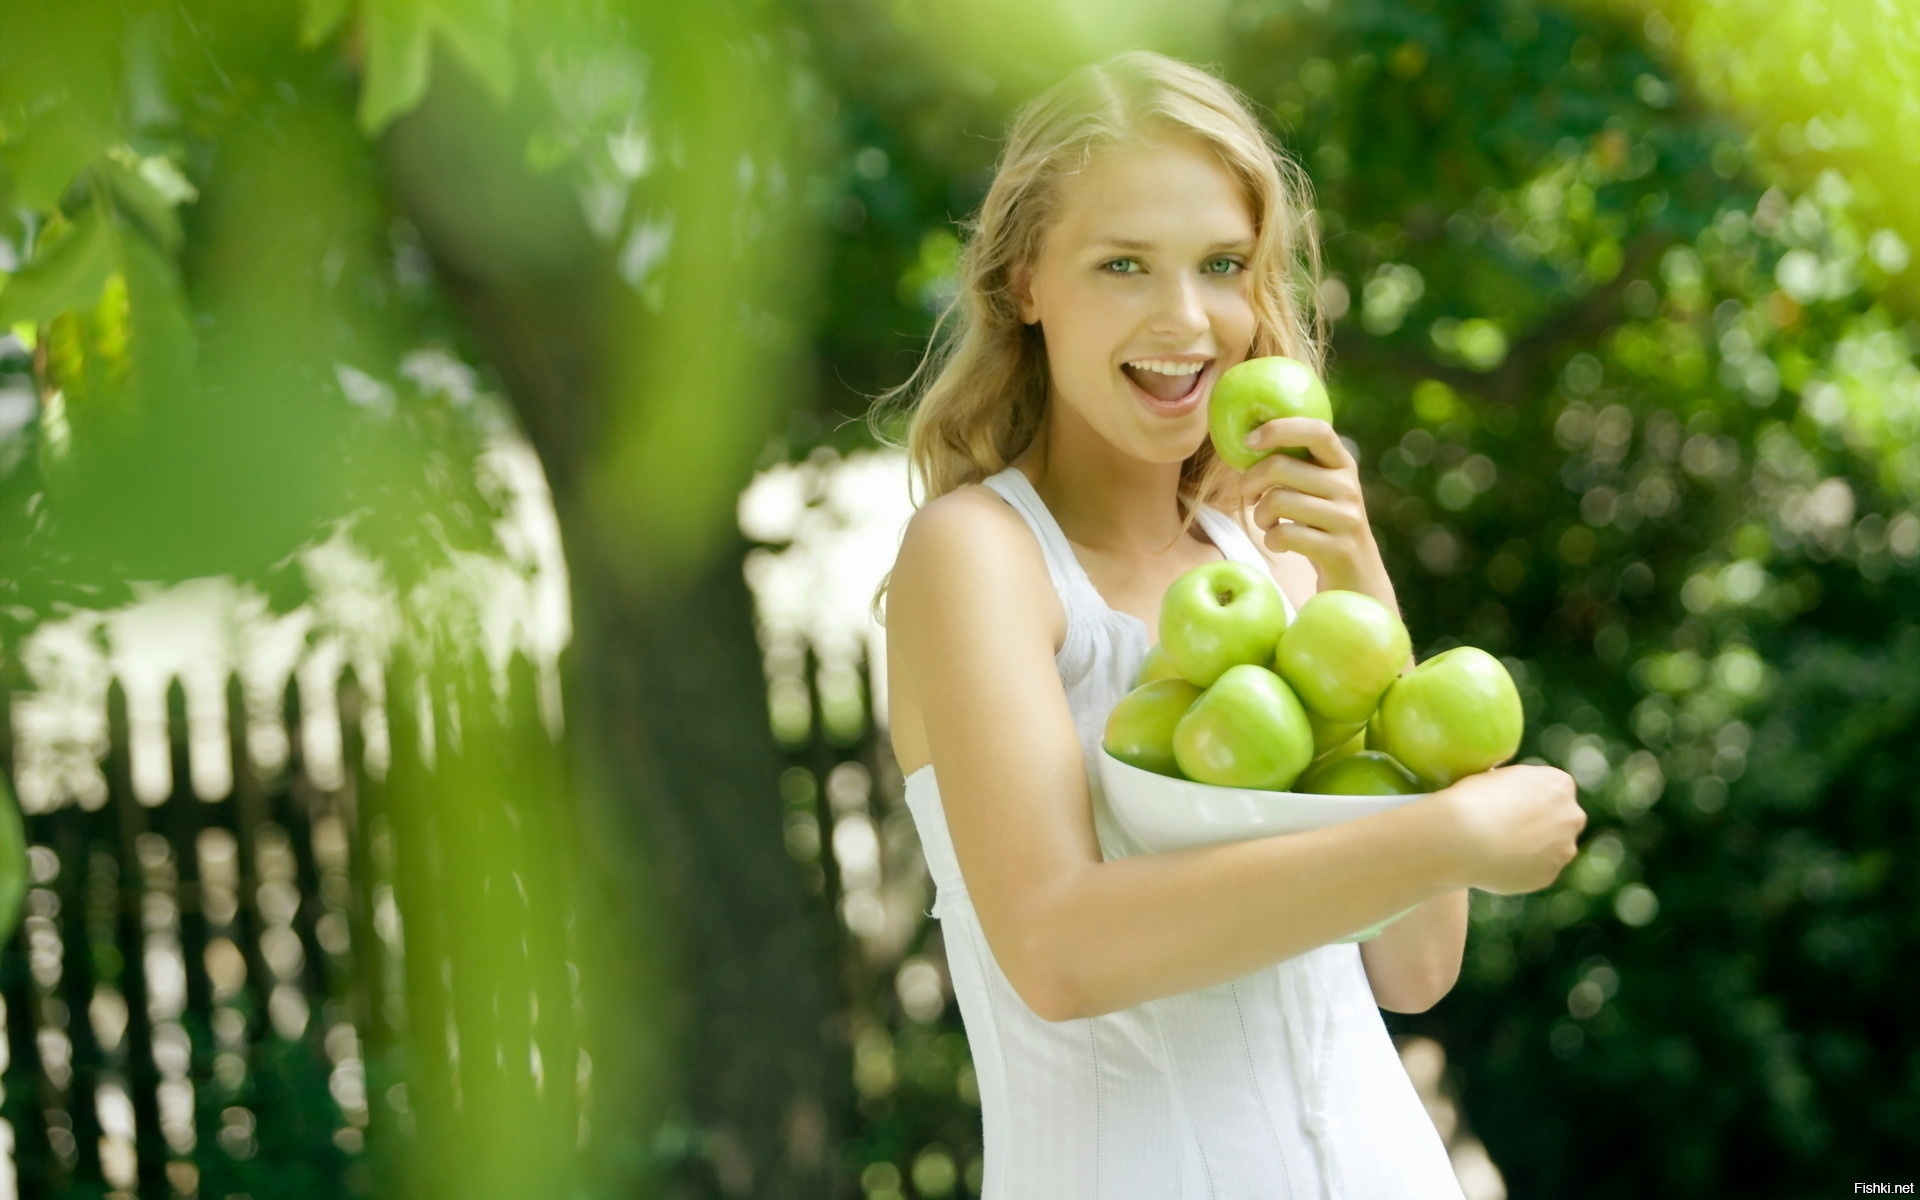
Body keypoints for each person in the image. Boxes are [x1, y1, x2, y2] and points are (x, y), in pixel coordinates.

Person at [872, 50, 1586, 1199]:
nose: (1187, 318)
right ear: (1024, 284)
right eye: (1122, 265)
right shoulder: (978, 556)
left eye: (1222, 264)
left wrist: (1355, 572)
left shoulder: (1283, 565)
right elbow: (1061, 948)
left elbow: (1414, 963)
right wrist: (1450, 834)